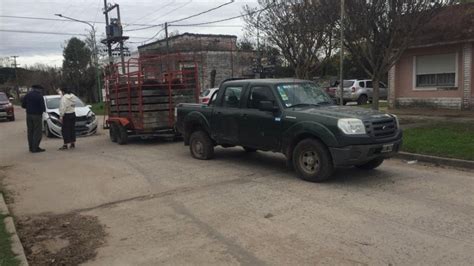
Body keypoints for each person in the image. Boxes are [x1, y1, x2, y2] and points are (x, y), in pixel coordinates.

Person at [21, 85, 46, 153]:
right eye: (41, 89)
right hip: (37, 115)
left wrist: (29, 107)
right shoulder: (39, 96)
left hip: (28, 115)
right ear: (38, 89)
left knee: (30, 131)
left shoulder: (27, 95)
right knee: (37, 132)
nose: (41, 91)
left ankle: (31, 147)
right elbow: (43, 107)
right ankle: (35, 148)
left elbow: (23, 105)